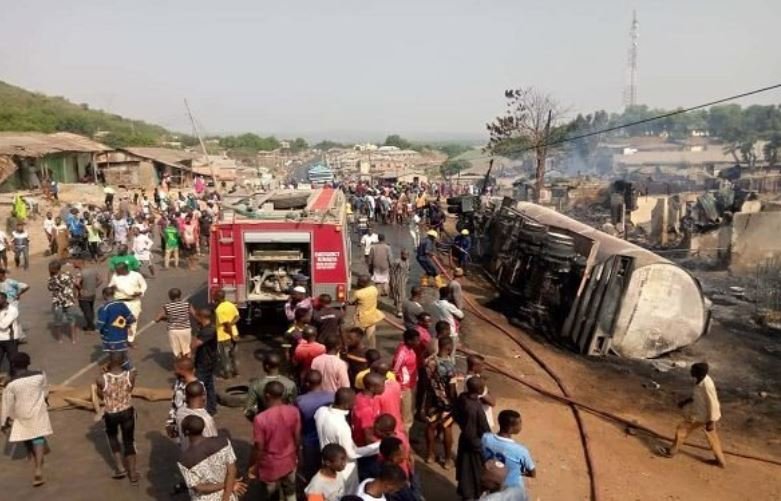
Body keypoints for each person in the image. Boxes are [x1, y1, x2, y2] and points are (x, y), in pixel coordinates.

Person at [0, 352, 52, 487]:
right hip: (38, 411)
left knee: (26, 434)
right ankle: (39, 468)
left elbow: (6, 404)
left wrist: (3, 422)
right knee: (38, 437)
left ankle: (31, 454)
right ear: (28, 363)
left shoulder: (11, 384)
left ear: (13, 366)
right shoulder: (40, 375)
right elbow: (45, 390)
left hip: (21, 413)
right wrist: (44, 400)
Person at [315, 388, 380, 494]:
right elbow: (351, 453)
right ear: (346, 405)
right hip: (344, 469)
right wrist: (377, 447)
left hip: (328, 460)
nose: (355, 404)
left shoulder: (320, 411)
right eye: (353, 402)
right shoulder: (341, 427)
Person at [662, 362, 726, 467]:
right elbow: (698, 396)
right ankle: (721, 461)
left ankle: (671, 452)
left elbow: (713, 403)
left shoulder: (707, 385)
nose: (690, 372)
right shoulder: (702, 380)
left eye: (693, 370)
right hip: (704, 415)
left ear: (699, 373)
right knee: (712, 438)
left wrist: (711, 421)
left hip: (701, 416)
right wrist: (686, 401)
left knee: (682, 429)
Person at [249, 381, 301, 501]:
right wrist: (299, 455)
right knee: (291, 492)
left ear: (267, 395)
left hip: (270, 465)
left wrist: (252, 465)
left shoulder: (260, 419)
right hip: (290, 460)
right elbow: (297, 437)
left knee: (271, 494)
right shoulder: (293, 411)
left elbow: (259, 446)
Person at [177, 415, 246, 501]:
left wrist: (225, 484)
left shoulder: (184, 460)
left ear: (185, 432)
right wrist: (228, 489)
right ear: (203, 427)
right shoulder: (223, 442)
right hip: (228, 494)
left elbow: (199, 488)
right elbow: (232, 470)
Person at [96, 351, 139, 482]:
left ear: (109, 362)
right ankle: (132, 473)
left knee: (113, 438)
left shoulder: (101, 379)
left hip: (111, 413)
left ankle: (120, 468)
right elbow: (130, 390)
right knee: (128, 441)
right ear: (122, 362)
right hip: (127, 411)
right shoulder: (130, 375)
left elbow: (100, 394)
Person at [481, 410, 536, 497]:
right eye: (519, 423)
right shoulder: (520, 451)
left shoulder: (485, 438)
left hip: (491, 482)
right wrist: (517, 471)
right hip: (511, 487)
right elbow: (532, 473)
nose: (521, 425)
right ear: (511, 428)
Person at [454, 376, 492, 501]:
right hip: (474, 445)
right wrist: (482, 448)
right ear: (480, 390)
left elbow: (456, 415)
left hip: (465, 440)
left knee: (465, 471)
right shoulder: (474, 408)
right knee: (472, 475)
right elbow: (474, 431)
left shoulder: (462, 397)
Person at [423, 336, 457, 468]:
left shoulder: (429, 361)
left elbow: (426, 382)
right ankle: (448, 459)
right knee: (447, 427)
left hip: (431, 399)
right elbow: (451, 388)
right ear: (449, 348)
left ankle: (430, 455)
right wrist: (454, 402)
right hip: (446, 401)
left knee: (430, 426)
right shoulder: (449, 366)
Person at [296, 370, 336, 482]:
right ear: (321, 381)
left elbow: (298, 426)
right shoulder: (332, 396)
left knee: (312, 473)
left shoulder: (300, 401)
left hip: (310, 442)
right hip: (329, 439)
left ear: (307, 383)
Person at [244, 352, 298, 420]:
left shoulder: (256, 385)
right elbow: (294, 404)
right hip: (285, 419)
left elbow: (248, 410)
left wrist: (257, 419)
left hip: (265, 420)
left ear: (266, 366)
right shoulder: (290, 384)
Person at [109, 261, 147, 344]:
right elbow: (110, 286)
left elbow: (144, 285)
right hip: (119, 302)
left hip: (133, 302)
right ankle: (119, 338)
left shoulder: (136, 275)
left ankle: (130, 339)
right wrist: (111, 289)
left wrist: (140, 292)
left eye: (118, 271)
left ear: (124, 269)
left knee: (133, 321)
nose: (116, 272)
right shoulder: (115, 276)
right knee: (119, 321)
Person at [166, 357, 202, 441]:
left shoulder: (198, 388)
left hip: (189, 425)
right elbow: (175, 402)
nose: (174, 372)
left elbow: (199, 410)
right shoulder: (179, 381)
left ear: (182, 370)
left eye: (176, 369)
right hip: (177, 421)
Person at [392, 329, 420, 432]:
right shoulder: (402, 354)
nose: (418, 342)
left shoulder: (410, 349)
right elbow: (395, 371)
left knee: (409, 412)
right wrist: (400, 388)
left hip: (411, 384)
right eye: (416, 340)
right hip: (404, 387)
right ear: (409, 341)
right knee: (405, 416)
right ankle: (405, 442)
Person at [176, 381, 218, 450]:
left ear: (186, 396)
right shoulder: (206, 419)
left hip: (186, 452)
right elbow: (213, 441)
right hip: (201, 456)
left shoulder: (179, 412)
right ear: (204, 396)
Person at [191, 309, 218, 415]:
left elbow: (194, 344)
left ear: (202, 317)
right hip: (207, 361)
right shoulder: (207, 328)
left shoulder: (208, 331)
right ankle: (211, 407)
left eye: (198, 317)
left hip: (205, 362)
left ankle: (199, 409)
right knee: (209, 385)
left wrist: (193, 333)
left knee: (198, 386)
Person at [156, 287, 193, 359]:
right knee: (187, 349)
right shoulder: (187, 304)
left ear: (170, 296)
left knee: (177, 351)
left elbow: (157, 319)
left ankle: (179, 365)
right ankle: (188, 364)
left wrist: (166, 318)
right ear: (180, 295)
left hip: (173, 331)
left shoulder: (167, 306)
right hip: (186, 329)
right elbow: (194, 314)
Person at [47, 259, 78, 344]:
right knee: (72, 320)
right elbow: (74, 285)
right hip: (69, 299)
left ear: (53, 269)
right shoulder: (68, 274)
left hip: (58, 301)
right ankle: (73, 338)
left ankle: (60, 339)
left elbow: (50, 288)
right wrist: (75, 294)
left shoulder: (52, 278)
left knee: (58, 321)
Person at [351, 275, 384, 349]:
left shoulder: (358, 293)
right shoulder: (374, 289)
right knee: (371, 338)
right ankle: (372, 350)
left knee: (358, 336)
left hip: (360, 319)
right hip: (372, 317)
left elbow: (351, 301)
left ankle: (357, 349)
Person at [213, 290, 240, 379]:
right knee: (234, 355)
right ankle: (236, 372)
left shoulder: (219, 309)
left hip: (224, 336)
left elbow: (226, 325)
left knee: (225, 357)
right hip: (235, 333)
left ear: (218, 297)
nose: (213, 297)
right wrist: (232, 325)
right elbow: (237, 317)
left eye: (215, 296)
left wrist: (231, 335)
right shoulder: (230, 304)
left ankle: (227, 374)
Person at [465, 355, 496, 430]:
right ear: (474, 367)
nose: (484, 367)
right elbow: (492, 402)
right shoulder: (476, 383)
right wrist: (486, 390)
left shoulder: (470, 379)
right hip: (482, 420)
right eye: (482, 365)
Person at [434, 286, 465, 361]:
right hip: (450, 332)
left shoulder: (435, 303)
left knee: (438, 351)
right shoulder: (449, 306)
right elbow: (461, 315)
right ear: (449, 295)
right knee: (451, 354)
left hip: (439, 330)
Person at [73, 259, 101, 333]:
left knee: (86, 311)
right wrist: (94, 286)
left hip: (83, 295)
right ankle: (90, 324)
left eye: (74, 263)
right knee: (91, 309)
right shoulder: (93, 271)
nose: (73, 265)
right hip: (92, 293)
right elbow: (100, 280)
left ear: (79, 263)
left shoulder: (80, 273)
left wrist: (80, 289)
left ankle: (90, 326)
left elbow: (76, 283)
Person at [0, 293, 20, 377]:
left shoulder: (12, 310)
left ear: (4, 299)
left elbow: (4, 325)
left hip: (10, 339)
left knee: (13, 361)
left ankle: (14, 379)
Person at [389, 250, 411, 318]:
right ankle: (399, 310)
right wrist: (392, 282)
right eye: (404, 254)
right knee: (399, 296)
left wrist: (407, 278)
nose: (405, 256)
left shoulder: (407, 261)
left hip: (403, 281)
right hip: (397, 281)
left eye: (407, 254)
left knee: (400, 296)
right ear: (401, 254)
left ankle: (399, 309)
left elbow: (408, 269)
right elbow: (391, 272)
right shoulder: (397, 262)